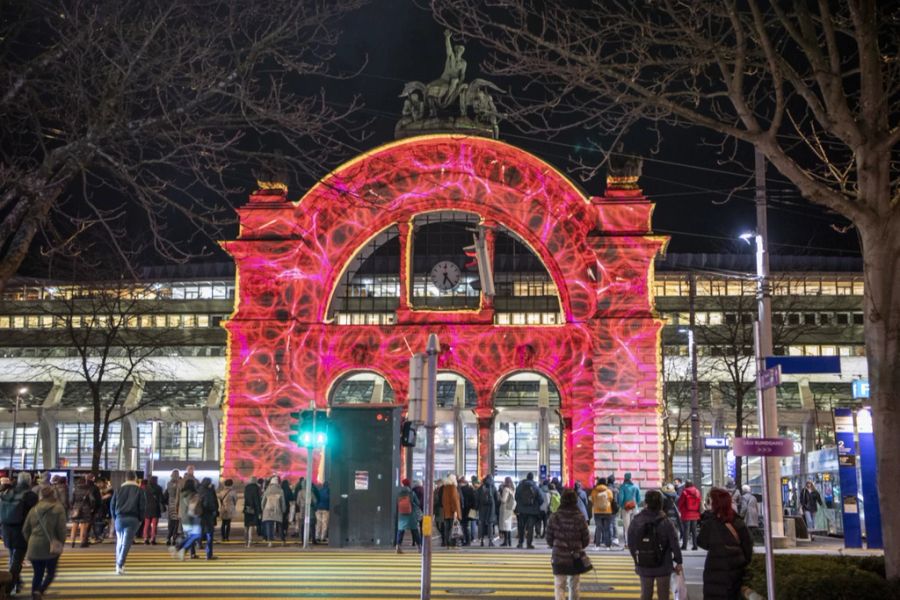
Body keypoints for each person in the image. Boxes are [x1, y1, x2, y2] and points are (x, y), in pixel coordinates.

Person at [697, 487, 753, 600]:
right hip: (735, 573)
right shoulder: (738, 522)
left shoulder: (710, 523)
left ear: (715, 504)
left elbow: (701, 542)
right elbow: (748, 546)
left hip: (713, 573)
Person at [627, 490, 683, 600]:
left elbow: (631, 544)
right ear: (661, 504)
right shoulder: (666, 522)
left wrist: (637, 559)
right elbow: (674, 543)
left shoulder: (636, 521)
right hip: (663, 564)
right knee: (663, 595)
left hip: (644, 564)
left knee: (646, 594)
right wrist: (679, 561)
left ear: (646, 503)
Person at [546, 489, 591, 600]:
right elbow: (586, 539)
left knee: (559, 585)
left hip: (559, 557)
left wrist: (557, 546)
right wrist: (579, 546)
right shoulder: (580, 517)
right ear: (575, 501)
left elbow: (549, 539)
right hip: (575, 557)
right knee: (574, 585)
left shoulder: (554, 517)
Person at [23, 485, 67, 600]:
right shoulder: (58, 508)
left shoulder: (34, 509)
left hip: (34, 546)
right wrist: (61, 542)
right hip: (51, 546)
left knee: (38, 573)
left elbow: (25, 530)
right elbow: (62, 529)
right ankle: (40, 591)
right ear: (54, 495)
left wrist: (31, 541)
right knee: (51, 572)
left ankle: (34, 594)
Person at [1, 472, 39, 595]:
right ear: (29, 481)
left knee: (13, 557)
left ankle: (16, 582)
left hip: (6, 530)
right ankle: (7, 588)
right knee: (17, 561)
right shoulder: (31, 495)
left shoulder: (7, 492)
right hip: (22, 531)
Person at [111, 471, 146, 575]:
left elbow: (112, 505)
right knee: (126, 543)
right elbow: (142, 507)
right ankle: (120, 564)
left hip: (119, 518)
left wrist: (115, 517)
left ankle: (119, 565)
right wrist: (140, 519)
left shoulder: (118, 490)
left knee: (120, 542)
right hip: (133, 518)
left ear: (125, 479)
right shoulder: (139, 491)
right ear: (135, 478)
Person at [170, 478, 202, 560]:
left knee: (190, 536)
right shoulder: (193, 494)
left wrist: (178, 513)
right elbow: (194, 507)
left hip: (183, 518)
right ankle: (180, 548)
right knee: (195, 535)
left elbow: (177, 503)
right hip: (192, 518)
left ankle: (191, 553)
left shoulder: (182, 493)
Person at [514, 472, 544, 549]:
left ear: (526, 477)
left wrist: (521, 504)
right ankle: (529, 544)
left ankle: (520, 543)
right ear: (532, 478)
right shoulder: (535, 487)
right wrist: (536, 505)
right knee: (530, 527)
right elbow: (541, 499)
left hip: (521, 510)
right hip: (532, 511)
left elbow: (516, 496)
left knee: (521, 527)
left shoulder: (520, 486)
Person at [69, 476, 97, 547]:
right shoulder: (88, 490)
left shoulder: (75, 490)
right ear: (85, 482)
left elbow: (72, 500)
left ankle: (72, 541)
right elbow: (92, 500)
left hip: (76, 509)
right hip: (85, 509)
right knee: (83, 525)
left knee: (74, 524)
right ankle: (82, 541)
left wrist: (72, 507)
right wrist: (91, 507)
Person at [395, 479, 422, 553]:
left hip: (401, 515)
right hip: (411, 514)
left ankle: (398, 546)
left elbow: (397, 503)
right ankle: (419, 547)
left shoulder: (399, 493)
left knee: (400, 530)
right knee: (415, 531)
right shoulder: (411, 493)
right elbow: (418, 503)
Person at [617, 472, 641, 548]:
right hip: (635, 508)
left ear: (625, 478)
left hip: (626, 508)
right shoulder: (636, 486)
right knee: (635, 525)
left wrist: (621, 505)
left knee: (627, 527)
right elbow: (639, 499)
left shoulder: (623, 487)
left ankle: (627, 543)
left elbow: (621, 498)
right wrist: (635, 504)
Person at [590, 477, 615, 550]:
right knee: (607, 529)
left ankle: (597, 545)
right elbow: (611, 499)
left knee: (598, 528)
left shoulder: (594, 491)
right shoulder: (608, 491)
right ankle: (608, 546)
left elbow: (592, 500)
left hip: (597, 512)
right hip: (607, 511)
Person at [261, 475, 285, 547]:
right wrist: (283, 510)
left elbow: (263, 502)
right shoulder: (280, 490)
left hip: (268, 510)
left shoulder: (267, 490)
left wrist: (263, 509)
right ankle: (282, 540)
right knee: (280, 525)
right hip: (277, 510)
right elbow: (282, 502)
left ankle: (270, 542)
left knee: (269, 526)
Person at [677, 480, 702, 551]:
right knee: (694, 530)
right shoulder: (697, 492)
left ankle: (684, 546)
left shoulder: (684, 492)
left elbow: (680, 503)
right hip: (695, 513)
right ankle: (695, 545)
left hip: (686, 513)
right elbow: (699, 502)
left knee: (686, 530)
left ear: (686, 485)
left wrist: (681, 510)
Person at [197, 477, 218, 559]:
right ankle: (209, 554)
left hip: (198, 515)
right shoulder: (208, 492)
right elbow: (209, 504)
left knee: (199, 532)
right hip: (207, 515)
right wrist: (214, 510)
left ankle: (195, 548)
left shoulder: (198, 490)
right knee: (209, 534)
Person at [475, 475, 498, 546]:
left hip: (482, 508)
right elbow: (496, 499)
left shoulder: (480, 488)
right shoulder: (493, 488)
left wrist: (476, 508)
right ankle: (490, 541)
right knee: (490, 524)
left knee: (482, 524)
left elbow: (477, 499)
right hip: (491, 508)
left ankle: (482, 540)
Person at [440, 474, 462, 547]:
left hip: (446, 511)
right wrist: (455, 511)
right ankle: (453, 542)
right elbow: (454, 500)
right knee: (453, 528)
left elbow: (443, 500)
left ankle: (447, 542)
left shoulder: (445, 488)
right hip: (452, 512)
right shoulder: (453, 488)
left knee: (447, 528)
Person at [142, 475, 164, 545]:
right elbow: (161, 499)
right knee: (154, 525)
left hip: (147, 508)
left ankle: (145, 538)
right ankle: (152, 539)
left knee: (146, 524)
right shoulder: (159, 488)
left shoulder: (145, 488)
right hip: (156, 508)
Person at [243, 476, 262, 547]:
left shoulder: (246, 487)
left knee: (246, 525)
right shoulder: (256, 488)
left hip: (247, 508)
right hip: (254, 509)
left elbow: (245, 498)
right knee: (251, 526)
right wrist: (259, 510)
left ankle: (245, 541)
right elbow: (257, 500)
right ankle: (249, 542)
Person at [163, 469, 182, 546]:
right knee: (176, 522)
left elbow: (167, 493)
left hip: (170, 505)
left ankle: (168, 538)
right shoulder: (178, 484)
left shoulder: (168, 483)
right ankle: (174, 537)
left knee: (171, 522)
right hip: (177, 505)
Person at [458, 476, 476, 546]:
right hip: (468, 510)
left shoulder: (461, 490)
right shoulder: (470, 489)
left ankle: (465, 540)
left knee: (464, 526)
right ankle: (467, 540)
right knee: (465, 526)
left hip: (463, 510)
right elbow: (474, 501)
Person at [498, 477, 516, 547]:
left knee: (505, 526)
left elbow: (504, 500)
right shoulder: (512, 489)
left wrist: (499, 496)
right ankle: (509, 541)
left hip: (505, 509)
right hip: (510, 508)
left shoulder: (506, 489)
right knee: (508, 526)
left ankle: (505, 542)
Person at [606, 475, 620, 546]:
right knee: (614, 523)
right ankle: (616, 539)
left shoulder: (606, 489)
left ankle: (610, 539)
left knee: (609, 524)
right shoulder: (616, 490)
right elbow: (619, 500)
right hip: (615, 508)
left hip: (607, 508)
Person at [280, 477, 294, 543]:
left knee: (281, 520)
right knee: (286, 519)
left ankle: (281, 532)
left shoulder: (280, 490)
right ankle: (285, 530)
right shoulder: (288, 489)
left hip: (280, 507)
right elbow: (292, 498)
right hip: (287, 506)